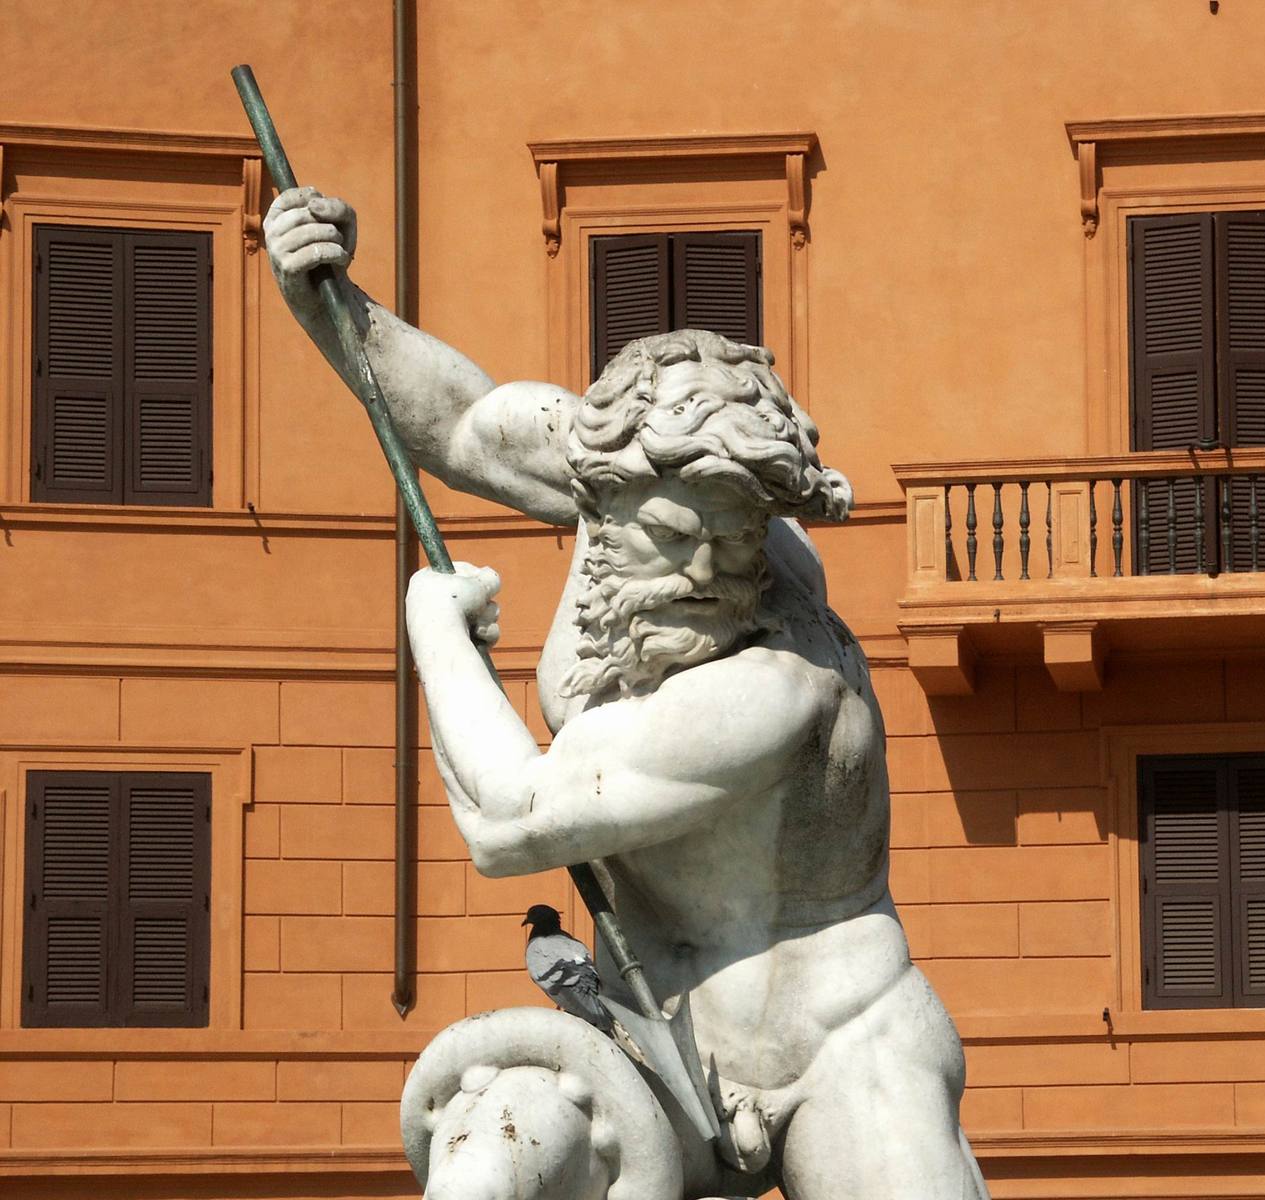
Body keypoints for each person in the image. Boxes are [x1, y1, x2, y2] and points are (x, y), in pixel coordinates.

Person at [264, 187, 988, 1200]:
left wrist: (436, 628)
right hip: (655, 1035)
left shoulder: (777, 687)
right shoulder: (618, 466)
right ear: (595, 494)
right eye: (674, 536)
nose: (707, 569)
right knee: (494, 1145)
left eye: (737, 540)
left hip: (843, 1048)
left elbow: (510, 821)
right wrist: (328, 299)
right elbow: (461, 422)